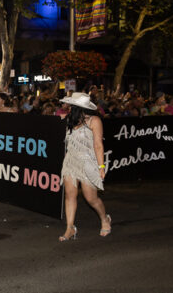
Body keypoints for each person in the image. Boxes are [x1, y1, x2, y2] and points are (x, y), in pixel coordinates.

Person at [58, 92, 112, 241]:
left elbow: (98, 145)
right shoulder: (69, 120)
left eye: (71, 105)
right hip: (71, 161)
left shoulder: (94, 121)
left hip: (88, 162)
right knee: (70, 195)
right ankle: (70, 228)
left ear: (77, 107)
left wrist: (101, 167)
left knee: (91, 198)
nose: (68, 107)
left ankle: (104, 218)